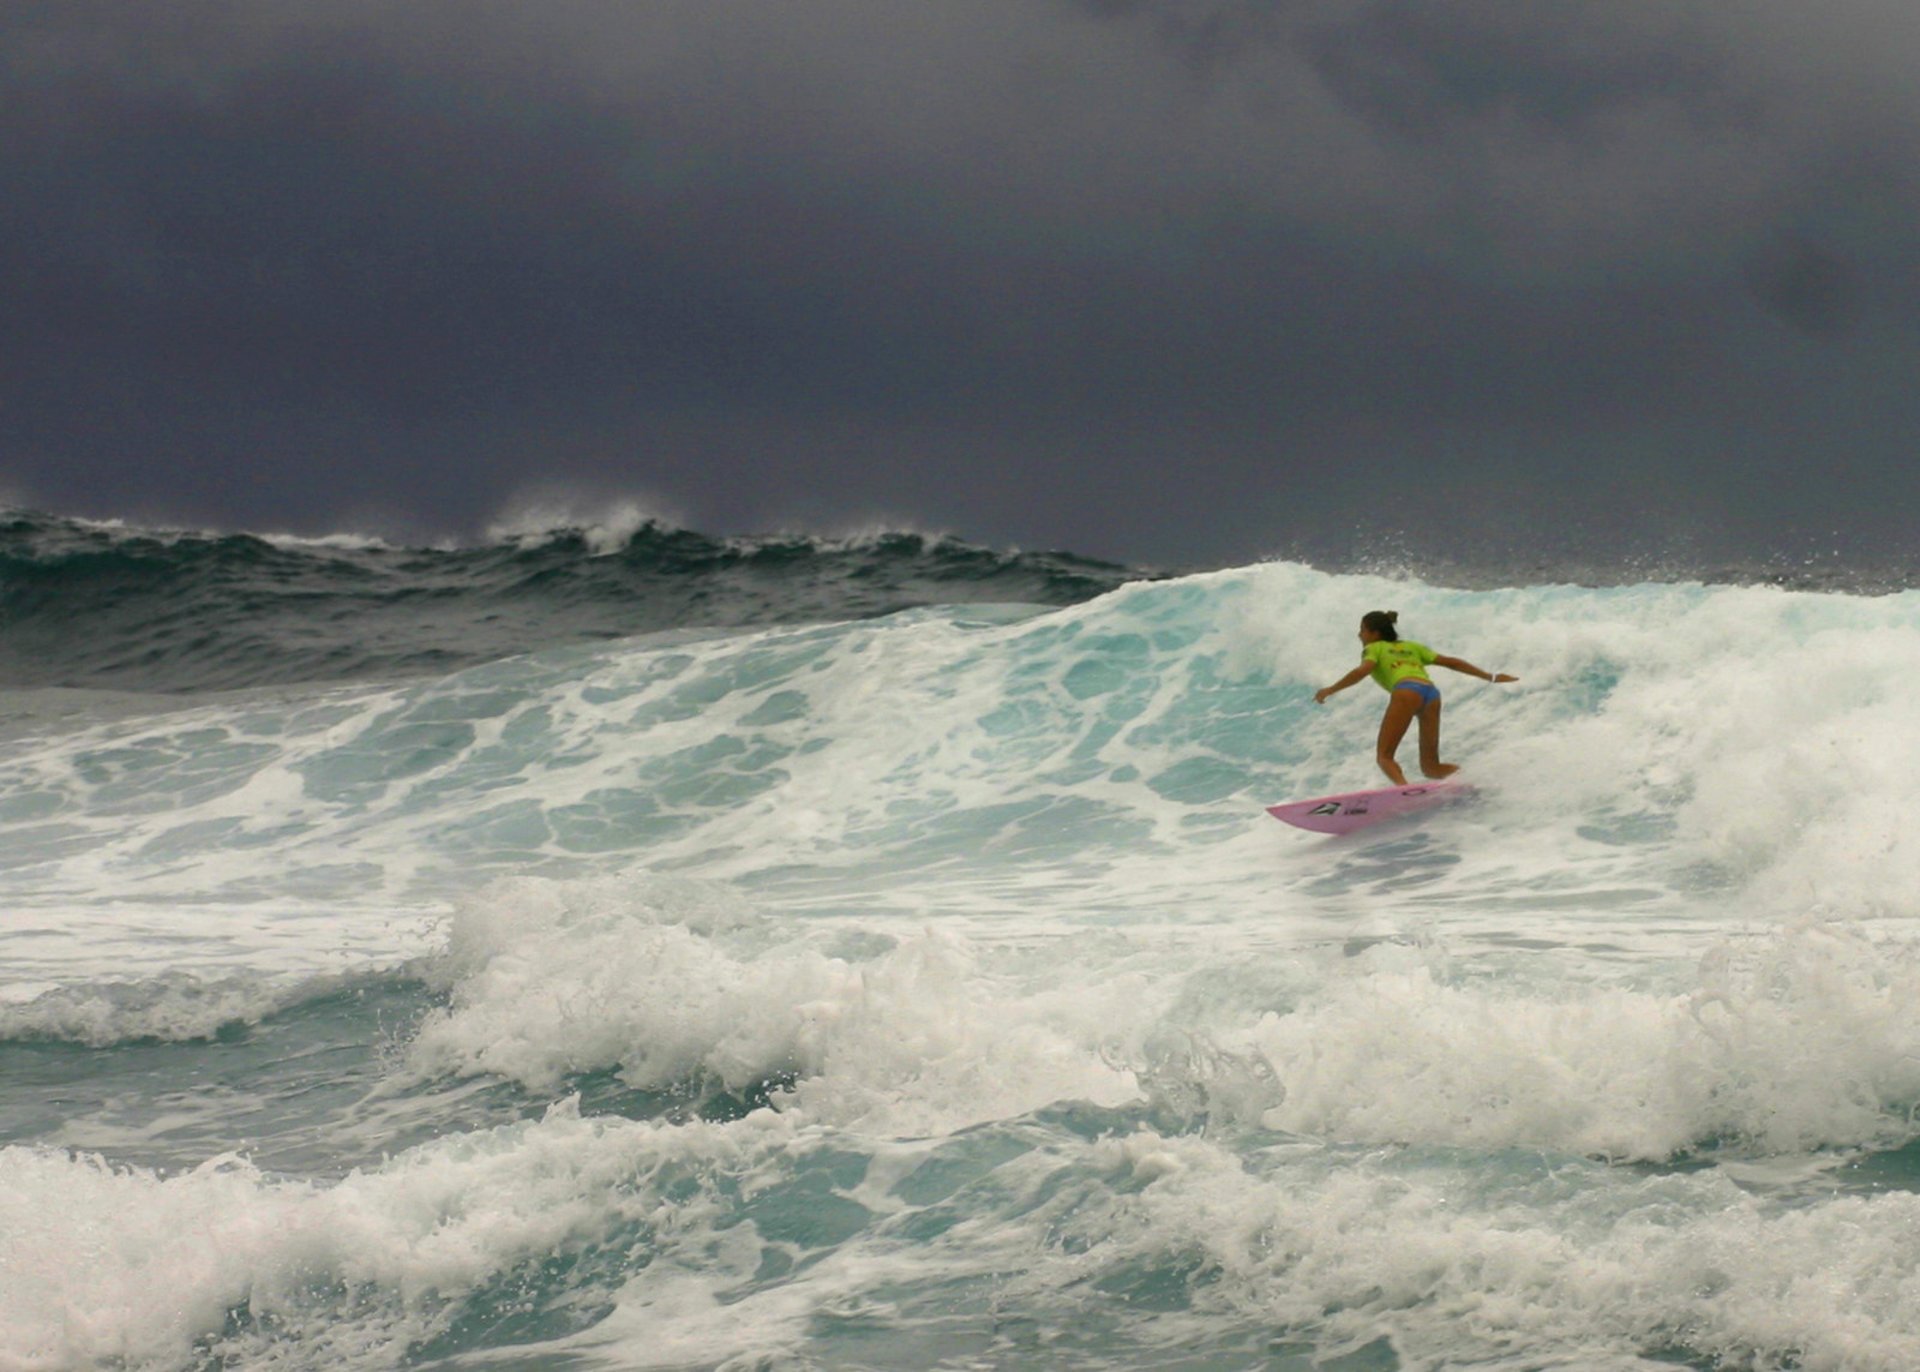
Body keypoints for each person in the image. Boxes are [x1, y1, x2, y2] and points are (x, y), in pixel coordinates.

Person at [1313, 610, 1517, 786]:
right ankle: (1468, 780)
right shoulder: (1412, 646)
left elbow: (1362, 671)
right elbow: (1450, 662)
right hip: (1431, 694)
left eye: (1362, 629)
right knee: (1431, 767)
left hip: (1406, 692)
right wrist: (1491, 677)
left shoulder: (1374, 648)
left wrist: (1330, 689)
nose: (1359, 634)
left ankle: (1404, 790)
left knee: (1384, 756)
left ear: (1374, 634)